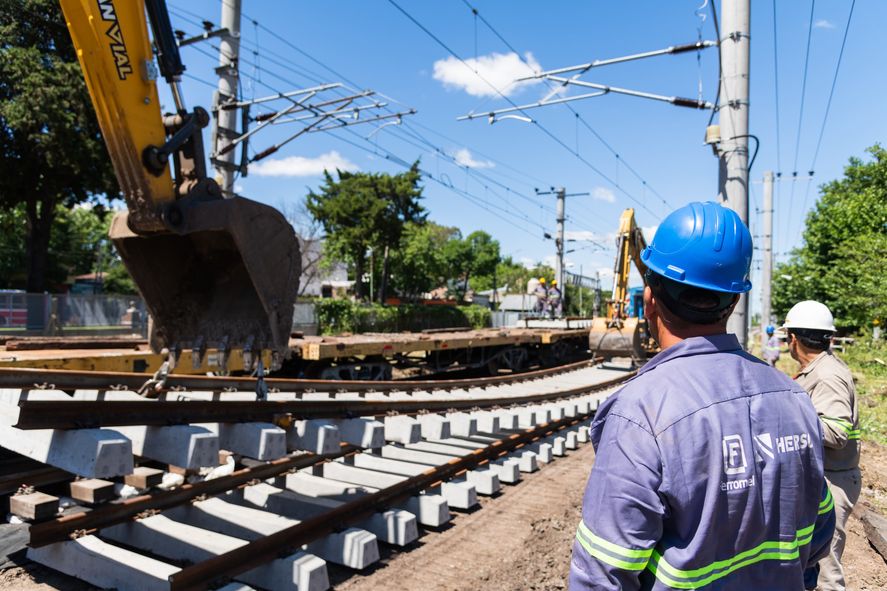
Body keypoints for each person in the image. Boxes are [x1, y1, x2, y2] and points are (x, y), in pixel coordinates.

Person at [569, 202, 834, 590]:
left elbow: (604, 572)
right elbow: (819, 527)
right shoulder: (795, 398)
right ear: (735, 300)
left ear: (649, 301)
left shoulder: (641, 411)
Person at [785, 300, 861, 591]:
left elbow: (837, 430)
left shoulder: (827, 375)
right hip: (825, 475)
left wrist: (785, 421)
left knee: (827, 569)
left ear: (793, 339)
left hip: (834, 480)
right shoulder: (818, 370)